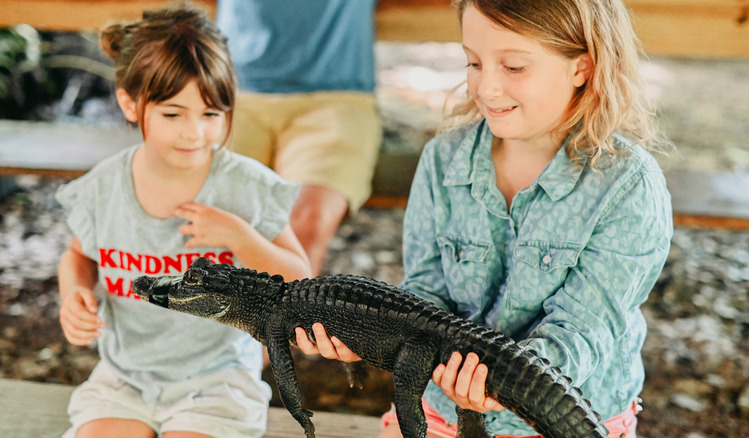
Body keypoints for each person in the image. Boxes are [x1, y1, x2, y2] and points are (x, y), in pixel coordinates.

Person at [297, 0, 675, 437]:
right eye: (473, 62)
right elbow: (425, 295)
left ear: (581, 67)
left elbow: (584, 328)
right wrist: (369, 334)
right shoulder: (443, 160)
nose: (487, 87)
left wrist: (499, 383)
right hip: (440, 413)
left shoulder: (628, 184)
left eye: (513, 67)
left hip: (564, 421)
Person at [55, 4, 311, 438]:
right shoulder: (104, 187)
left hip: (218, 380)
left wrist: (240, 236)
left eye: (211, 114)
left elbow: (300, 279)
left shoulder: (245, 187)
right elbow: (79, 256)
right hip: (124, 378)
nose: (195, 133)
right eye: (173, 114)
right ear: (131, 104)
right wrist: (74, 294)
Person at [215, 0, 383, 275]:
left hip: (336, 95)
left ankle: (289, 316)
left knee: (306, 224)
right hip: (232, 90)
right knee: (205, 219)